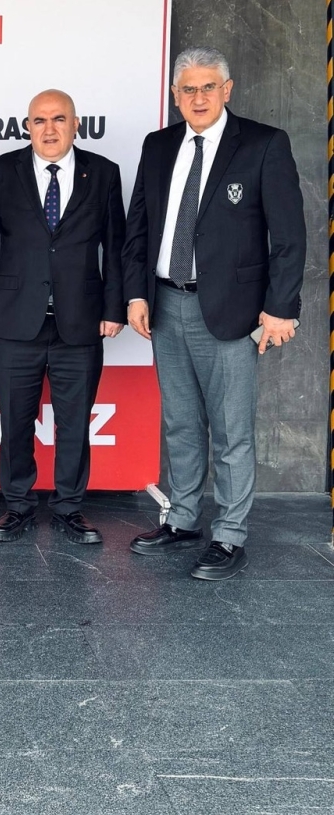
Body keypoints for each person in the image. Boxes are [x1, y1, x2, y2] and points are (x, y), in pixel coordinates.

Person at [123, 47, 306, 580]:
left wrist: (280, 309)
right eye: (188, 89)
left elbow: (289, 237)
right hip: (166, 303)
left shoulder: (264, 144)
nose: (198, 97)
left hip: (233, 311)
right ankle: (182, 519)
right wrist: (136, 295)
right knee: (181, 422)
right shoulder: (158, 146)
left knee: (231, 429)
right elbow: (139, 227)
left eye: (208, 87)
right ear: (175, 95)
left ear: (227, 90)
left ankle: (229, 534)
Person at [0, 90, 125, 545]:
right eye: (39, 120)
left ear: (76, 124)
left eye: (59, 119)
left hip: (81, 322)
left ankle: (69, 508)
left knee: (74, 424)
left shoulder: (104, 172)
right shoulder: (3, 171)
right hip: (14, 322)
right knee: (16, 423)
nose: (49, 129)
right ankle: (17, 506)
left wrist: (113, 307)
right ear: (28, 127)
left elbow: (115, 247)